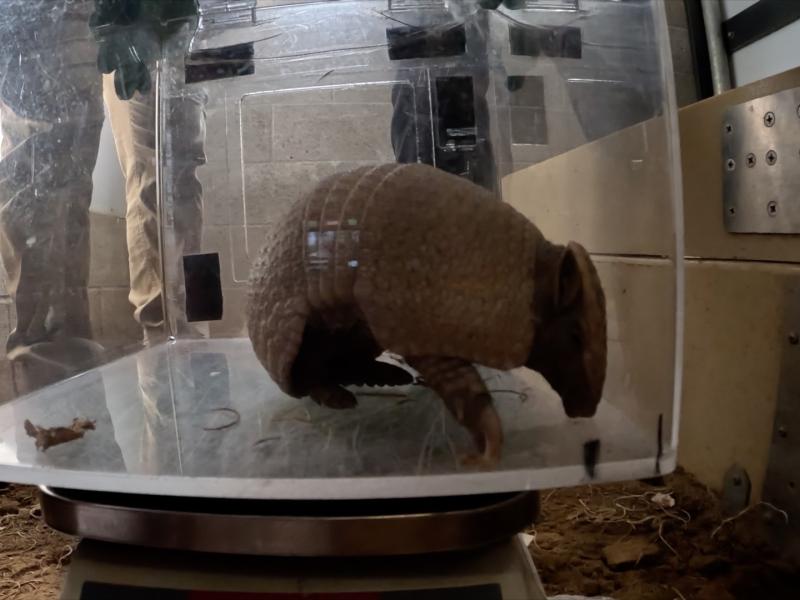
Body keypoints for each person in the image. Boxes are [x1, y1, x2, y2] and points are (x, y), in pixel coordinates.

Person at [0, 0, 205, 392]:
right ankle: (57, 416)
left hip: (159, 10)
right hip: (42, 10)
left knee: (169, 172)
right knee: (44, 190)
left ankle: (178, 371)